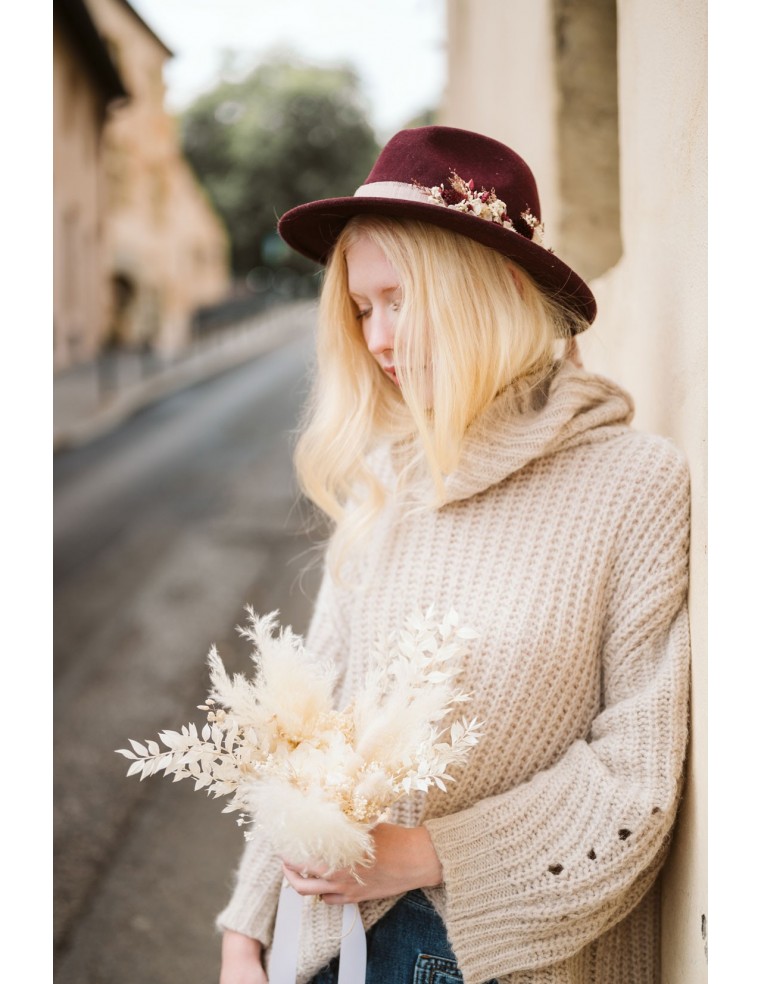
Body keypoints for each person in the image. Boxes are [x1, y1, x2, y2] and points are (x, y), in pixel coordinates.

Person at [217, 125, 690, 984]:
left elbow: (637, 781)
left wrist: (428, 853)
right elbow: (311, 721)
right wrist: (247, 931)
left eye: (397, 298)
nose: (378, 339)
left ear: (492, 286)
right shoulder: (386, 480)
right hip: (321, 942)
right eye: (362, 309)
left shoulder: (633, 483)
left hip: (498, 958)